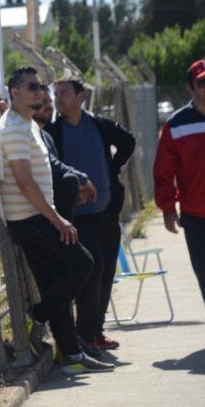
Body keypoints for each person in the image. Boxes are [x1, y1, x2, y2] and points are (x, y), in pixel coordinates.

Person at [0, 66, 113, 374]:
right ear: (15, 93)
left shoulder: (28, 124)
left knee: (55, 282)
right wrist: (58, 219)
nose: (40, 92)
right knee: (83, 263)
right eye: (32, 87)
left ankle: (72, 353)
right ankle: (41, 312)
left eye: (41, 87)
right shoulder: (13, 128)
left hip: (38, 216)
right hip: (30, 219)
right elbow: (23, 182)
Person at [46, 76, 135, 356]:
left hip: (106, 212)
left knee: (107, 270)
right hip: (77, 217)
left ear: (80, 96)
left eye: (64, 94)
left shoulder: (98, 125)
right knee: (92, 268)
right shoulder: (54, 132)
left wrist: (113, 167)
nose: (59, 99)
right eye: (56, 94)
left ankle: (95, 331)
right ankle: (84, 333)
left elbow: (128, 142)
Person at [154, 59, 205, 322]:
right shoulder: (176, 125)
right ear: (191, 88)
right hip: (197, 215)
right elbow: (163, 171)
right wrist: (168, 208)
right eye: (203, 83)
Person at [33, 86, 97, 221]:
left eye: (50, 101)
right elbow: (52, 164)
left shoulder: (46, 137)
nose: (49, 106)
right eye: (43, 102)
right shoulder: (29, 135)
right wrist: (82, 179)